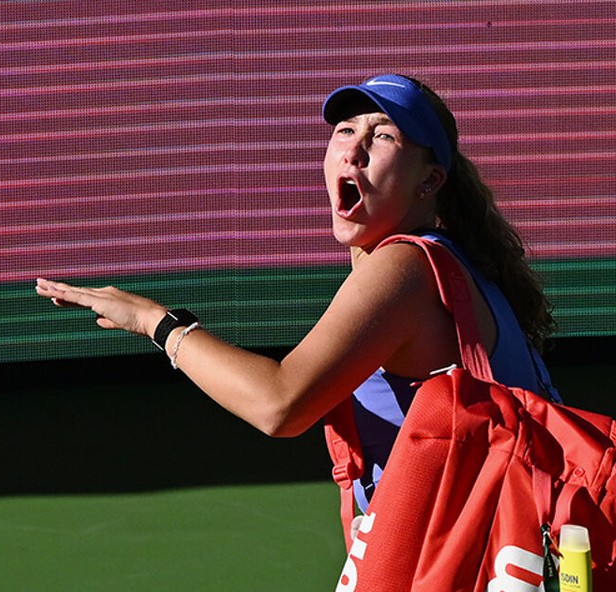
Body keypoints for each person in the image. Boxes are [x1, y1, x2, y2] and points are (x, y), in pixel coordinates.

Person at [35, 73, 557, 510]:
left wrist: (156, 322)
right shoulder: (456, 261)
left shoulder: (405, 268)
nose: (352, 149)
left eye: (384, 137)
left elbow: (279, 404)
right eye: (346, 130)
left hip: (471, 587)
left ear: (430, 180)